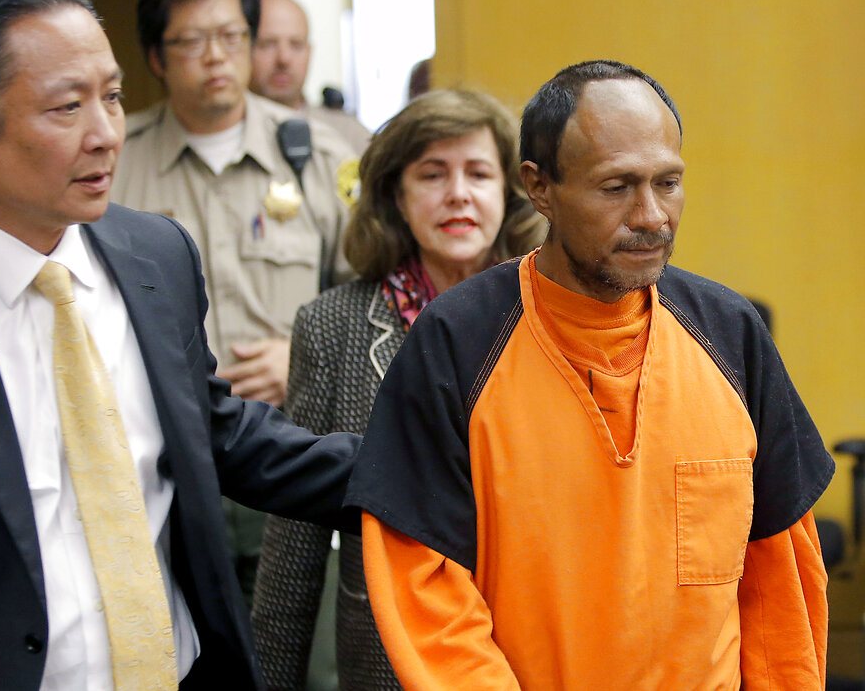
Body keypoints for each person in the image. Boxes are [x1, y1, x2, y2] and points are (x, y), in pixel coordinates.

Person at [0, 0, 359, 691]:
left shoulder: (156, 257)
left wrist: (423, 472)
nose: (106, 133)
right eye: (67, 106)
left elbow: (215, 433)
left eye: (112, 97)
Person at [344, 60, 834, 690]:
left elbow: (780, 587)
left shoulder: (731, 335)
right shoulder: (455, 344)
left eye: (668, 182)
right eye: (616, 187)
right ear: (539, 187)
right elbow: (427, 594)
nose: (652, 215)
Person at [251, 89, 546, 690]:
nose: (458, 193)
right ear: (396, 196)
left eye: (479, 173)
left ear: (511, 195)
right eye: (432, 174)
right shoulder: (331, 327)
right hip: (390, 663)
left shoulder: (554, 318)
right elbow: (294, 547)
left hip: (533, 657)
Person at [111, 0, 360, 603]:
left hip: (290, 447)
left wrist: (303, 358)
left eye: (231, 36)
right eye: (192, 41)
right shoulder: (114, 167)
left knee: (299, 652)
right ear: (157, 58)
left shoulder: (320, 156)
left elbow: (369, 301)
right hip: (164, 458)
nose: (216, 56)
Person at [250, 0, 371, 153]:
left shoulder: (350, 136)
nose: (283, 59)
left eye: (296, 45)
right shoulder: (222, 135)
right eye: (267, 44)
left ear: (309, 52)